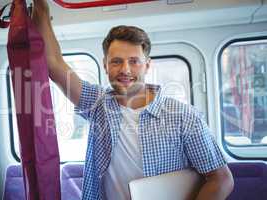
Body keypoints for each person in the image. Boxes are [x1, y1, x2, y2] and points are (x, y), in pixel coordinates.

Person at [32, 1, 234, 200]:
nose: (125, 70)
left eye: (134, 61)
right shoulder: (98, 104)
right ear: (105, 65)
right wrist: (42, 7)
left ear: (147, 65)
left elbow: (221, 179)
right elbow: (54, 65)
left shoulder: (183, 116)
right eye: (116, 61)